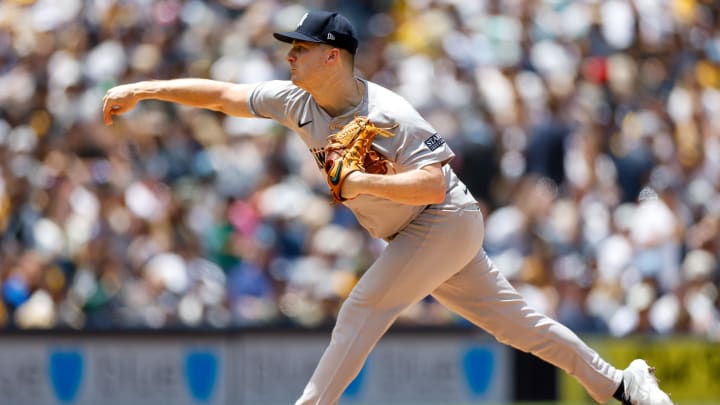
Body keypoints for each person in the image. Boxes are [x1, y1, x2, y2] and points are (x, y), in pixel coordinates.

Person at [102, 10, 673, 405]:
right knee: (518, 326)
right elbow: (224, 96)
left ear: (333, 57)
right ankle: (621, 387)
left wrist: (360, 183)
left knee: (361, 308)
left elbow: (431, 184)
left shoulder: (389, 113)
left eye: (301, 49)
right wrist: (147, 88)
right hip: (415, 237)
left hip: (445, 218)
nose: (291, 57)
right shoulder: (296, 101)